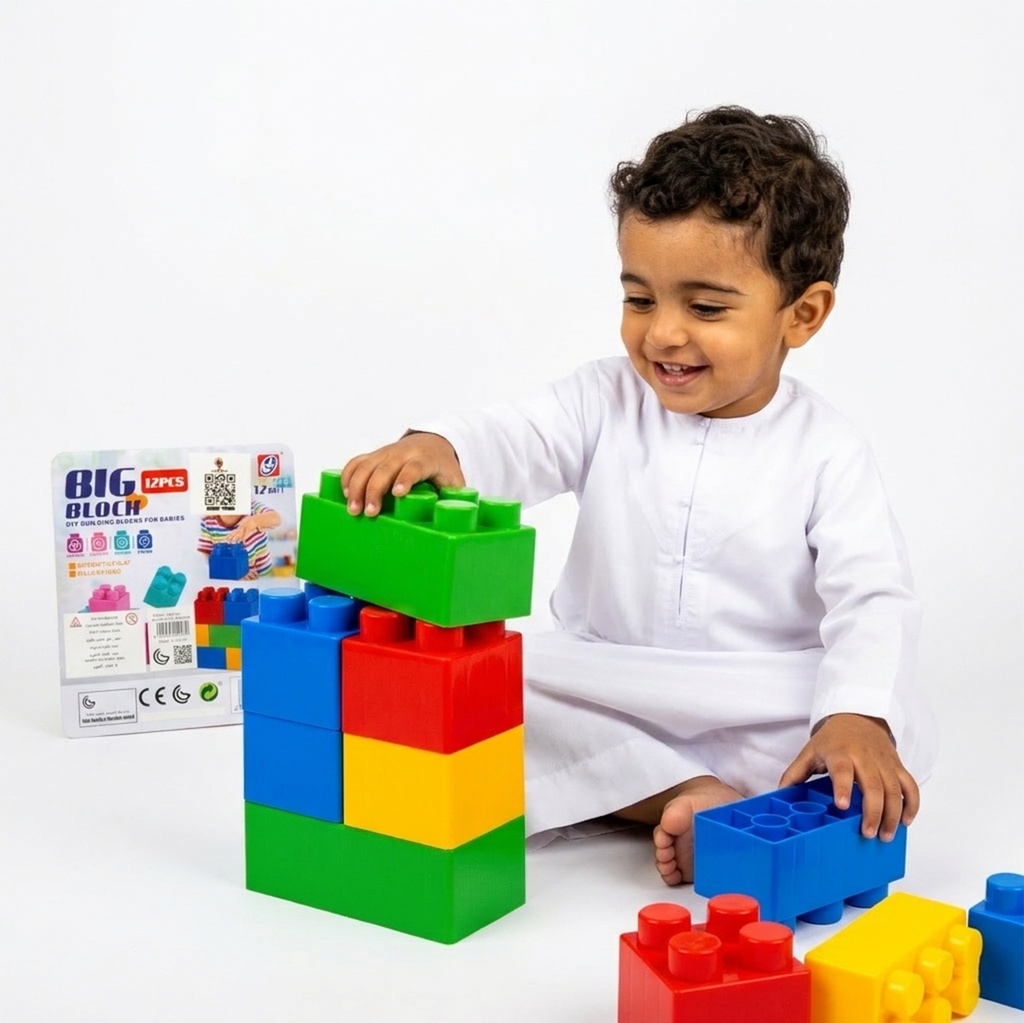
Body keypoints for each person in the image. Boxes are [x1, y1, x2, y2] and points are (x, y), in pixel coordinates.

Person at [340, 106, 938, 886]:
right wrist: (441, 448)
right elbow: (518, 436)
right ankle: (689, 796)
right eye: (641, 299)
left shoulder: (828, 449)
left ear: (802, 314)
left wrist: (855, 714)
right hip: (603, 680)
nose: (663, 334)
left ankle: (673, 790)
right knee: (482, 688)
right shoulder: (603, 398)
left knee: (873, 725)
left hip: (758, 697)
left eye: (706, 307)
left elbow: (873, 598)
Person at [197, 500, 281, 580]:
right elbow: (207, 555)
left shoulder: (252, 508)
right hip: (232, 580)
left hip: (265, 576)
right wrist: (236, 570)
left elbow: (276, 518)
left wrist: (253, 522)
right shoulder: (207, 522)